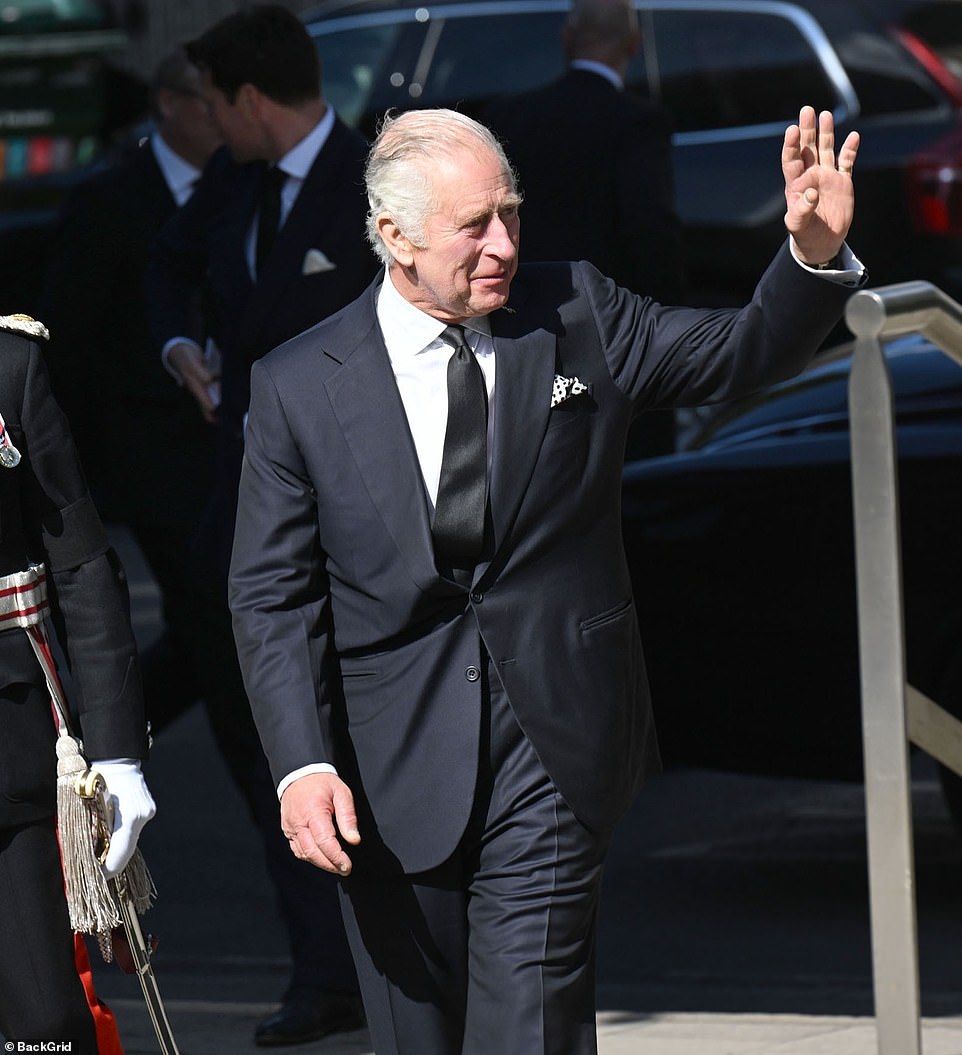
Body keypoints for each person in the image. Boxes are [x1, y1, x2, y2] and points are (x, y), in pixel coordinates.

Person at [228, 103, 863, 1053]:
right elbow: (271, 595)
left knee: (531, 1029)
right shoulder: (296, 385)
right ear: (394, 237)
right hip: (386, 769)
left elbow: (738, 354)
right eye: (473, 224)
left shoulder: (578, 312)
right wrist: (303, 761)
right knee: (418, 1036)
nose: (503, 243)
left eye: (511, 213)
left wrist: (810, 257)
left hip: (555, 741)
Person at [145, 5, 375, 1045]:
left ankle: (376, 962)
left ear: (246, 100)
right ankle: (321, 968)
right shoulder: (233, 190)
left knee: (359, 745)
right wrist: (179, 344)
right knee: (272, 753)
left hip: (355, 527)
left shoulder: (373, 184)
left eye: (213, 104)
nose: (203, 125)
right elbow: (167, 266)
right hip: (243, 517)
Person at [40, 48, 222, 735]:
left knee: (211, 631)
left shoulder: (241, 184)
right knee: (214, 623)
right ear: (169, 104)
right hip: (152, 454)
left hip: (231, 443)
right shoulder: (110, 200)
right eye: (209, 100)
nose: (224, 115)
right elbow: (72, 341)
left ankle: (104, 736)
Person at [0, 316, 154, 1052]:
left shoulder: (9, 365)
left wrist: (117, 751)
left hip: (9, 750)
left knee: (49, 1024)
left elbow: (81, 563)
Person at [484, 0, 687, 455]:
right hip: (614, 334)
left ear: (567, 39)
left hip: (526, 328)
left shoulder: (512, 115)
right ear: (634, 45)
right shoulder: (637, 121)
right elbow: (651, 233)